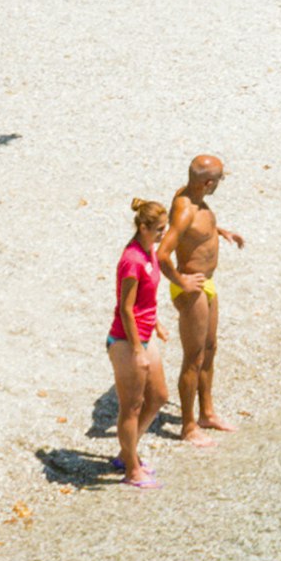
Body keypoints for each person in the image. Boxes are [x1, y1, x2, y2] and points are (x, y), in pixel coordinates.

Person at [166, 154, 241, 442]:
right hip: (192, 288)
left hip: (207, 283)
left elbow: (196, 230)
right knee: (194, 357)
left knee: (210, 348)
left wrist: (219, 231)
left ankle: (207, 413)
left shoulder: (193, 199)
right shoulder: (185, 210)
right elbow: (162, 254)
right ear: (208, 182)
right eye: (219, 180)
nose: (220, 184)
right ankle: (188, 427)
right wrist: (181, 281)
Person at [108, 199, 173, 487]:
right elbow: (126, 308)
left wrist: (156, 322)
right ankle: (132, 470)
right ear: (143, 227)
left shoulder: (150, 252)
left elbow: (147, 299)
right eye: (158, 230)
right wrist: (137, 350)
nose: (162, 234)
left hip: (145, 334)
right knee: (131, 407)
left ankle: (127, 452)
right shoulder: (132, 260)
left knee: (158, 396)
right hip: (125, 340)